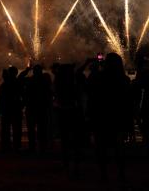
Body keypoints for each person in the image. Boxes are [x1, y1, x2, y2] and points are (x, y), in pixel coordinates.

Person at [90, 53, 133, 181]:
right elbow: (128, 103)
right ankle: (121, 174)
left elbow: (94, 98)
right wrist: (129, 123)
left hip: (102, 118)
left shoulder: (99, 78)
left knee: (102, 148)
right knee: (119, 148)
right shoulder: (124, 79)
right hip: (118, 118)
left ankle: (104, 174)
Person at [54, 63, 83, 174]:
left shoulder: (58, 84)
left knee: (64, 139)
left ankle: (66, 163)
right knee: (74, 140)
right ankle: (75, 164)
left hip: (62, 112)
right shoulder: (73, 84)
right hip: (73, 112)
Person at [20, 64, 53, 153]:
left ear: (34, 71)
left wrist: (27, 70)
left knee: (31, 129)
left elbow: (19, 79)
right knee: (42, 129)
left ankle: (32, 147)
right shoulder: (46, 80)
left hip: (31, 108)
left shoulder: (30, 80)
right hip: (42, 108)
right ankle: (42, 147)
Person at [0, 66, 23, 152]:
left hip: (6, 109)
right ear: (16, 73)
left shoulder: (4, 84)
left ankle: (5, 146)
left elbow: (0, 98)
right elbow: (23, 96)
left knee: (5, 129)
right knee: (17, 129)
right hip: (16, 109)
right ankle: (17, 145)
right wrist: (22, 106)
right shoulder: (18, 83)